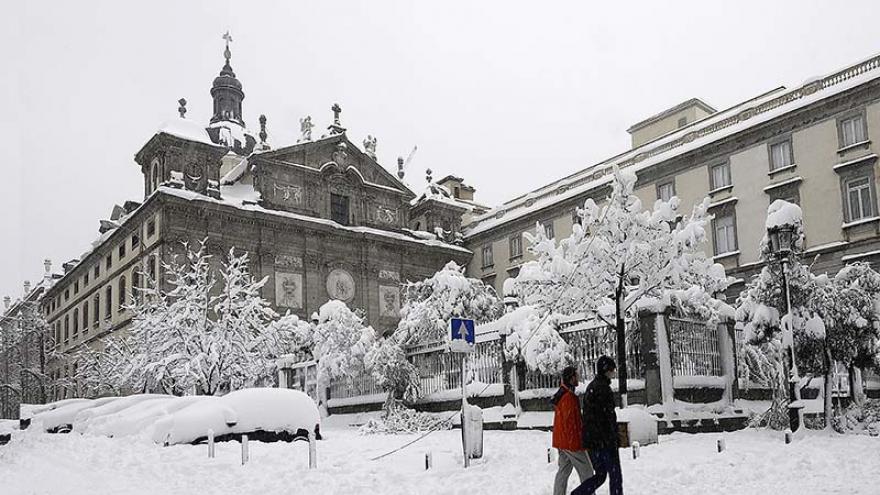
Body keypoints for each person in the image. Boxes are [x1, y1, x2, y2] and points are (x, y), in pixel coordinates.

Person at [572, 356, 623, 495]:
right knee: (615, 475)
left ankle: (578, 493)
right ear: (606, 371)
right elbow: (607, 417)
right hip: (604, 441)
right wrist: (613, 437)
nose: (614, 372)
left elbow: (591, 416)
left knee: (601, 475)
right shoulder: (603, 389)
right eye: (612, 369)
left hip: (593, 440)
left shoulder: (592, 387)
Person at [551, 366, 593, 495]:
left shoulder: (562, 393)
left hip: (561, 440)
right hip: (570, 442)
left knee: (564, 470)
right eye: (576, 375)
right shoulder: (568, 397)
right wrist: (580, 443)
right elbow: (572, 424)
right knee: (587, 472)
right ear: (571, 378)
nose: (578, 377)